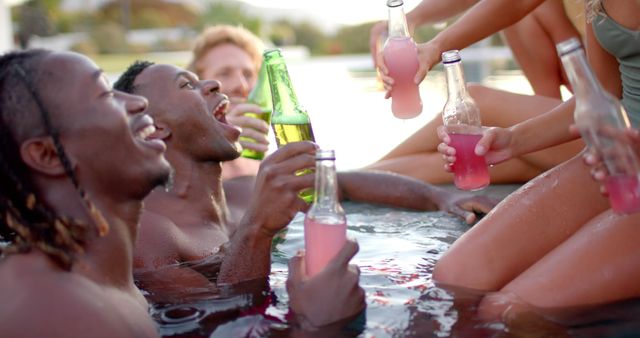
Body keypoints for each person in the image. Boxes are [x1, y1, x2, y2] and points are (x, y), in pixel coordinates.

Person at [112, 61, 496, 300]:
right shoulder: (152, 232)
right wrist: (258, 229)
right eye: (186, 85)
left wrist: (439, 199)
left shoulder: (244, 192)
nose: (211, 84)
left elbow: (341, 184)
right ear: (155, 127)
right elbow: (224, 318)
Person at [431, 0, 640, 320]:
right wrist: (512, 140)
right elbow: (600, 93)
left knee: (509, 311)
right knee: (454, 279)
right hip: (616, 161)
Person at [0, 49, 172, 338]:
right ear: (48, 154)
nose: (140, 102)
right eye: (106, 93)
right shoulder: (62, 312)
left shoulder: (100, 284)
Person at [368, 0, 584, 184]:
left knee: (475, 111)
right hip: (570, 120)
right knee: (468, 155)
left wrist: (435, 47)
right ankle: (351, 179)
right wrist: (410, 18)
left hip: (602, 124)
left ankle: (352, 179)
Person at [187, 25, 269, 180]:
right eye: (225, 73)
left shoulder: (262, 150)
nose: (242, 86)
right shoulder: (174, 147)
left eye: (248, 74)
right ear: (198, 82)